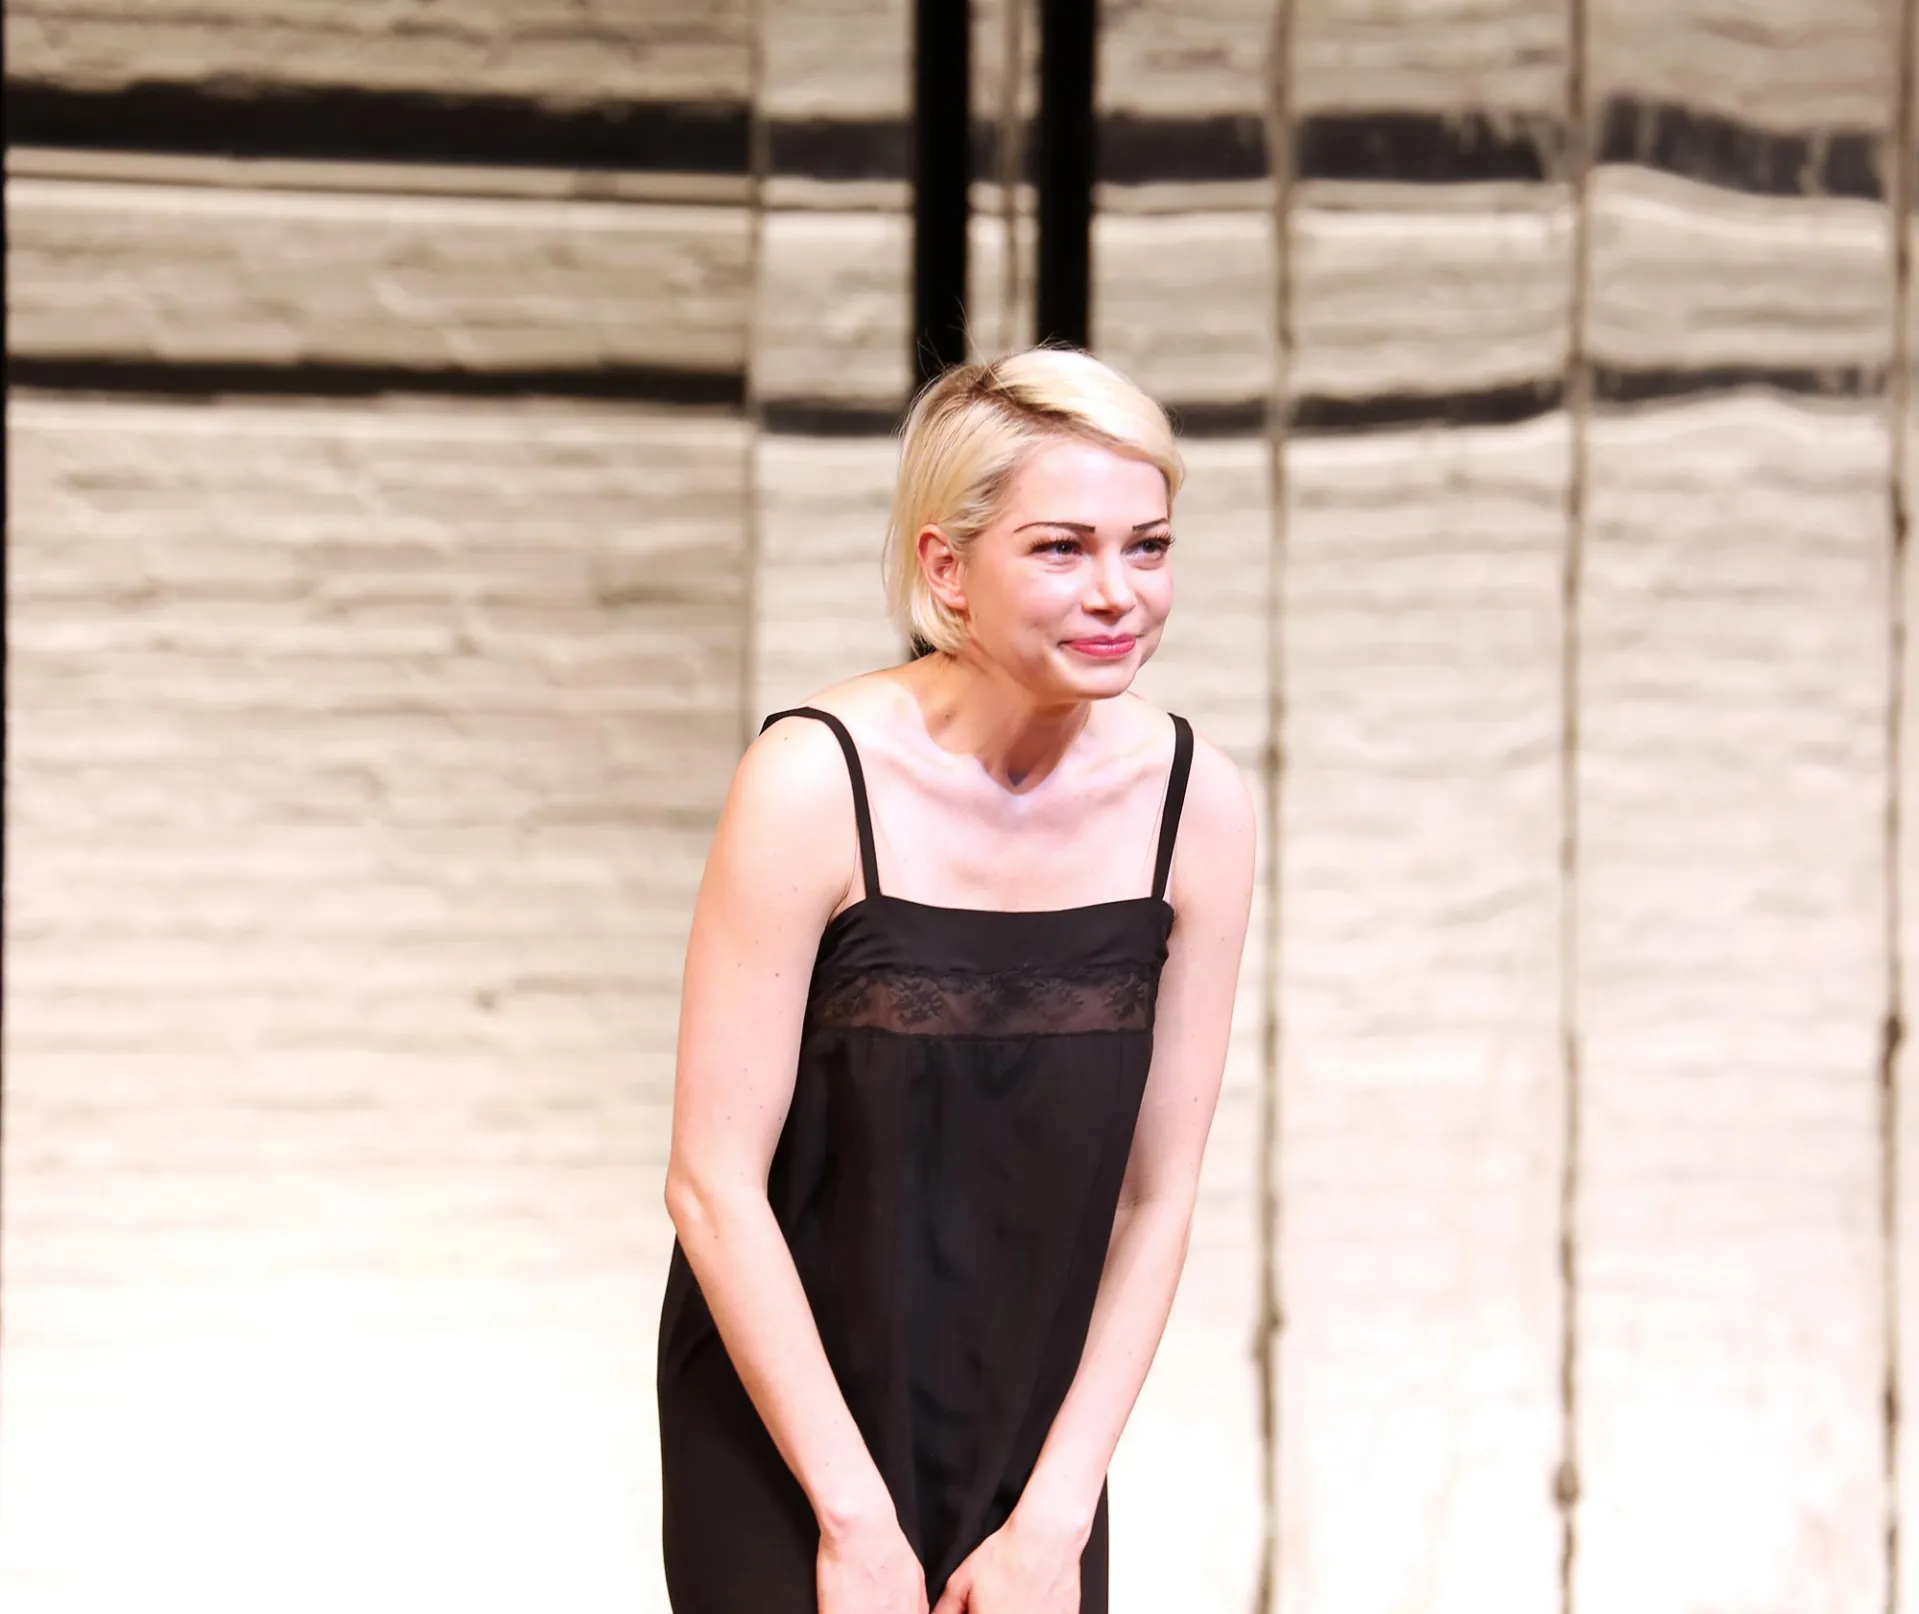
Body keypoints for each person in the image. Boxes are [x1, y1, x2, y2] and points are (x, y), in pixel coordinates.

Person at [656, 346, 1256, 1614]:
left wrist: (1057, 1515)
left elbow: (1159, 1196)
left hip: (1030, 1441)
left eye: (1146, 547)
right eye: (1061, 550)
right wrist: (851, 1520)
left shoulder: (1194, 806)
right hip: (787, 1433)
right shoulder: (813, 782)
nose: (1117, 594)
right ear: (945, 569)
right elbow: (711, 1184)